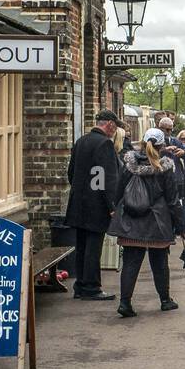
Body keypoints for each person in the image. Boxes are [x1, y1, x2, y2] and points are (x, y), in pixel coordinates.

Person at [108, 129, 185, 317]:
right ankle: (165, 300)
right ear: (162, 146)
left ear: (142, 142)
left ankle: (125, 303)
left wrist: (114, 209)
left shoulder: (128, 164)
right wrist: (181, 225)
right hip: (157, 222)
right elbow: (172, 200)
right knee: (159, 263)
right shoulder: (164, 167)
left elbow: (118, 190)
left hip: (131, 221)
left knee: (130, 264)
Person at [63, 110, 123, 301]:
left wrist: (80, 191)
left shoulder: (81, 141)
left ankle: (80, 284)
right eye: (115, 127)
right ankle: (91, 287)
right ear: (110, 125)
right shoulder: (105, 144)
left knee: (81, 245)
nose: (115, 131)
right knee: (93, 247)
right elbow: (108, 178)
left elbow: (71, 172)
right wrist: (112, 205)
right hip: (96, 205)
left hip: (78, 203)